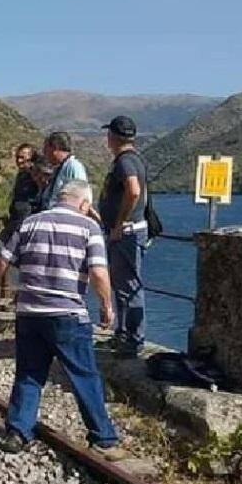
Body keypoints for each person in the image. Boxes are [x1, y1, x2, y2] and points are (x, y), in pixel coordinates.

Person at [0, 179, 125, 461]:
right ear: (85, 204)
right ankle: (103, 439)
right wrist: (107, 306)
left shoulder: (30, 223)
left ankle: (17, 432)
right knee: (84, 376)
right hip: (67, 314)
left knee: (29, 374)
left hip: (29, 313)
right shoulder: (89, 227)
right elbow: (98, 272)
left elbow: (1, 261)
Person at [96, 115, 148, 359]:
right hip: (128, 233)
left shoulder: (125, 162)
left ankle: (133, 341)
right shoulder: (133, 159)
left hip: (126, 234)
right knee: (122, 286)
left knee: (128, 286)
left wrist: (119, 224)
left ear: (113, 137)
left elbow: (133, 191)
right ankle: (124, 334)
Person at [0, 144, 41, 257]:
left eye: (22, 157)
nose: (19, 160)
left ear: (31, 158)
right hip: (14, 221)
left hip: (24, 224)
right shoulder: (21, 175)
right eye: (17, 157)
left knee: (2, 253)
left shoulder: (36, 175)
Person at [38, 131, 88, 211]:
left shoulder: (73, 166)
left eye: (46, 149)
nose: (44, 153)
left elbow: (81, 195)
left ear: (55, 148)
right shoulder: (60, 168)